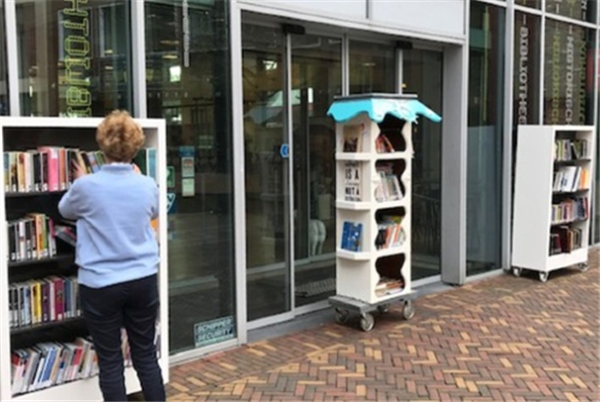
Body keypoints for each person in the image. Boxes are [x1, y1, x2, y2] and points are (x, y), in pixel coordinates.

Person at [58, 110, 165, 402]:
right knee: (146, 355)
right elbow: (153, 211)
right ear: (135, 147)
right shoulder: (147, 184)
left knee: (110, 362)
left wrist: (81, 181)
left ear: (102, 144)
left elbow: (65, 210)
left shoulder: (86, 186)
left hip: (101, 284)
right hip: (143, 279)